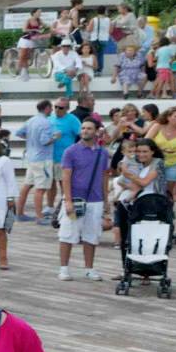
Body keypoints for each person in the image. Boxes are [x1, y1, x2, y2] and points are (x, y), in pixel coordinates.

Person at [56, 117, 111, 280]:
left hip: (96, 199)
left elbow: (104, 176)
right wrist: (68, 200)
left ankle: (89, 268)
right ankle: (64, 268)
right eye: (83, 128)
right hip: (76, 198)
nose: (85, 131)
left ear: (96, 131)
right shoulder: (71, 151)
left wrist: (106, 200)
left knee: (92, 234)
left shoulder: (103, 152)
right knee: (67, 233)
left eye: (89, 128)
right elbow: (66, 177)